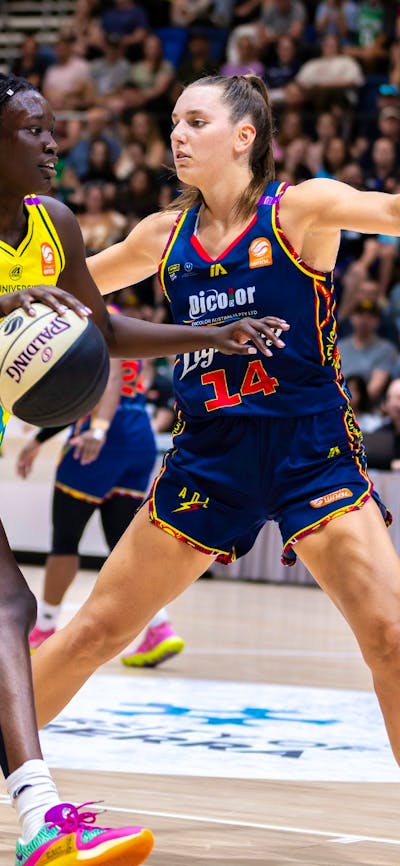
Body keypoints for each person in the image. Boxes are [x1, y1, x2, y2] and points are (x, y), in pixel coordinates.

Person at [23, 73, 400, 848]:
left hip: (312, 453)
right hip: (208, 460)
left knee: (391, 638)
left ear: (244, 136)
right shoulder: (163, 235)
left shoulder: (303, 209)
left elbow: (392, 213)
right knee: (93, 632)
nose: (178, 135)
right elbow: (70, 288)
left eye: (196, 121)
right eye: (173, 122)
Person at [0, 71, 283, 866]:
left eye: (53, 126)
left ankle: (39, 820)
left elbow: (103, 328)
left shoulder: (51, 223)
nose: (54, 142)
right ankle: (38, 818)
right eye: (32, 130)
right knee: (11, 609)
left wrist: (213, 334)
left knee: (10, 611)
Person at [16, 328, 184, 668]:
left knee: (65, 540)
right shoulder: (123, 323)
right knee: (123, 544)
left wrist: (99, 428)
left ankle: (45, 628)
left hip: (100, 437)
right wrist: (41, 439)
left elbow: (107, 380)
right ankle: (160, 626)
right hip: (138, 434)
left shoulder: (91, 323)